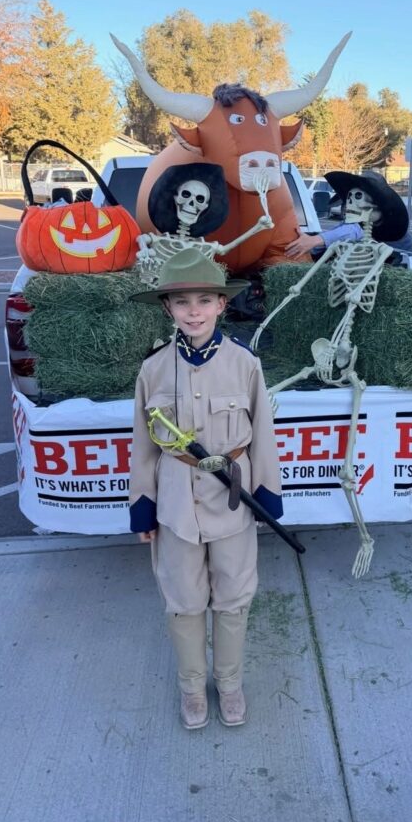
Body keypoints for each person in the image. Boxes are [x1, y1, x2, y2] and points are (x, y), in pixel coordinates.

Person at [129, 247, 283, 730]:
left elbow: (263, 433)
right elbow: (143, 445)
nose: (193, 312)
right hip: (176, 502)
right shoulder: (154, 369)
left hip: (233, 499)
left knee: (233, 595)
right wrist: (143, 504)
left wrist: (268, 494)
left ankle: (230, 684)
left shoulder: (244, 363)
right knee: (183, 600)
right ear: (167, 308)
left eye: (203, 300)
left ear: (221, 304)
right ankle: (192, 688)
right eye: (181, 302)